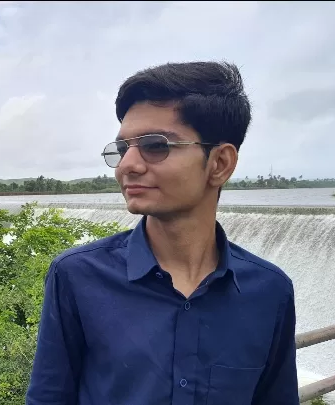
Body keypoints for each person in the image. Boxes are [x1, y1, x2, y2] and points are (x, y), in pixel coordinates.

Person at [26, 62, 298, 405]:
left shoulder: (270, 292)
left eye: (156, 145)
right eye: (122, 148)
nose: (128, 165)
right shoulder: (76, 276)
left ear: (220, 164)